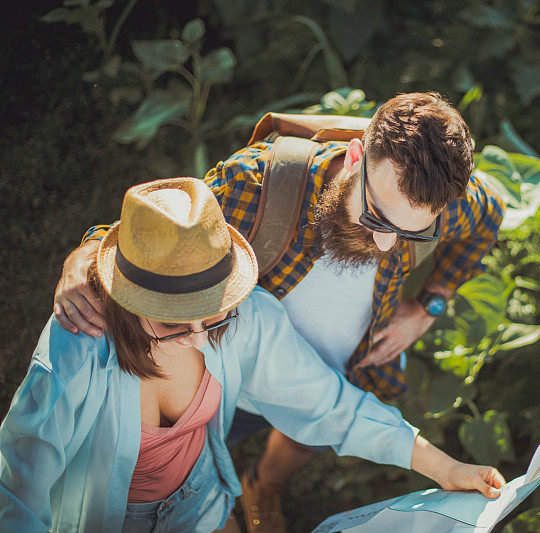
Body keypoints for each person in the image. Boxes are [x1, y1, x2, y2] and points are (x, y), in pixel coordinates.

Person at [52, 92, 506, 532]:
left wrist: (429, 305)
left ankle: (262, 489)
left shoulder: (434, 199)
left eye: (411, 233)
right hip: (224, 373)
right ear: (354, 157)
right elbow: (153, 235)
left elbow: (490, 216)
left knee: (307, 433)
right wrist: (84, 256)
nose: (387, 244)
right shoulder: (256, 184)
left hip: (335, 371)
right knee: (183, 463)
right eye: (376, 219)